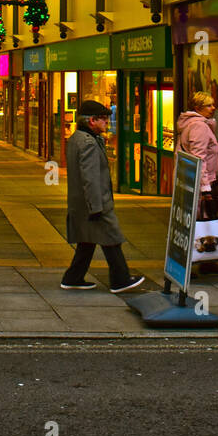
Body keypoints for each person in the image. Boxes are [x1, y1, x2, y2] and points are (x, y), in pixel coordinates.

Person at [61, 100, 144, 293]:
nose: (107, 123)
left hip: (82, 203)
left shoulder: (77, 138)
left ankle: (73, 277)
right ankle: (120, 279)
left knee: (87, 241)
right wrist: (96, 207)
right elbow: (90, 178)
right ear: (92, 121)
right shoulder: (88, 143)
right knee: (112, 238)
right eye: (104, 119)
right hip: (94, 203)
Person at [175, 88, 218, 275]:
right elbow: (199, 159)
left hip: (193, 180)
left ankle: (207, 261)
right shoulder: (199, 126)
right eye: (209, 105)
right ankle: (191, 264)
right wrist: (206, 189)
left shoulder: (196, 124)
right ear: (198, 107)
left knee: (202, 221)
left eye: (214, 104)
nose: (214, 108)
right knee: (200, 221)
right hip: (199, 182)